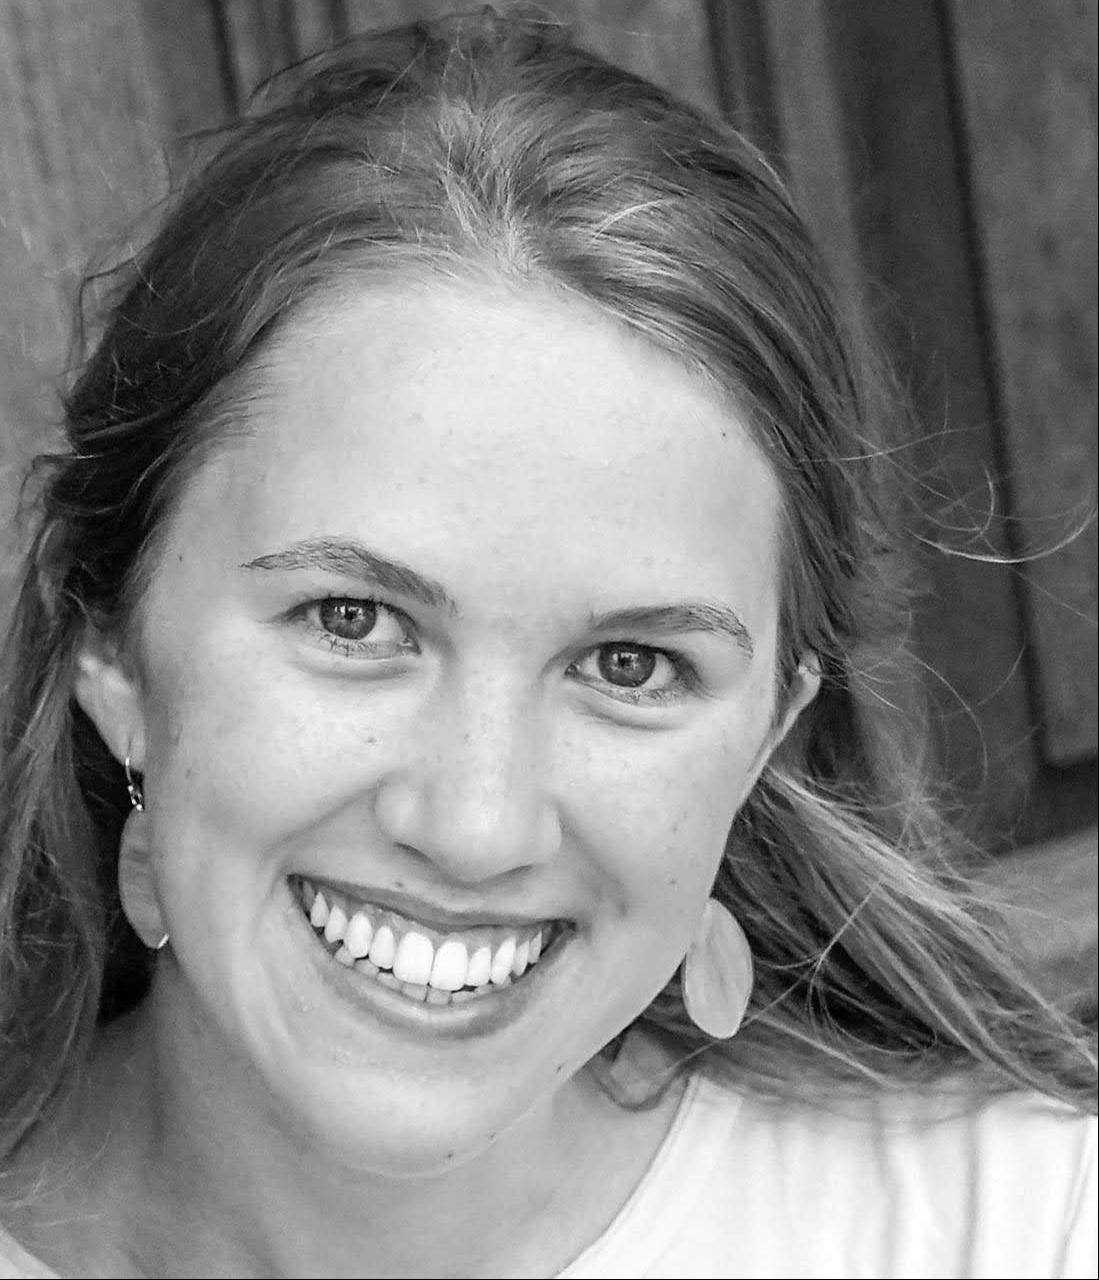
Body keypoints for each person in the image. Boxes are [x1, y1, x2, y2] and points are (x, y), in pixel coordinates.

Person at [0, 9, 1094, 1278]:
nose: (476, 825)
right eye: (354, 620)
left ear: (766, 736)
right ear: (115, 655)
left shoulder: (1025, 1225)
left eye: (629, 666)